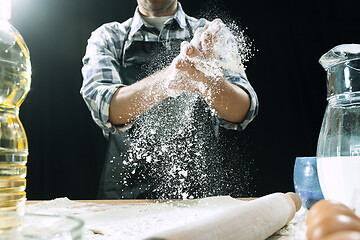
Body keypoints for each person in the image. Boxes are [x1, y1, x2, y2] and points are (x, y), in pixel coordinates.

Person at [81, 0, 259, 199]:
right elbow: (106, 108)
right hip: (125, 196)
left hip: (198, 195)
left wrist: (207, 80)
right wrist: (171, 76)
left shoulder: (209, 34)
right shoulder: (109, 37)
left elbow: (243, 110)